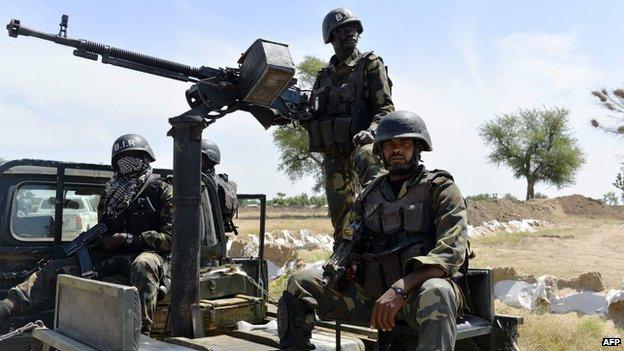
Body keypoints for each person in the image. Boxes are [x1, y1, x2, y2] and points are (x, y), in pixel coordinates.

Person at [278, 111, 468, 350]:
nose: (396, 149)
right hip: (374, 298)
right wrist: (346, 267)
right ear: (381, 151)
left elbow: (450, 254)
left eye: (404, 143)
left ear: (418, 148)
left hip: (416, 297)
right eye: (389, 144)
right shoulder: (370, 194)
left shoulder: (441, 189)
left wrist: (399, 289)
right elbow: (349, 241)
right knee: (301, 282)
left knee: (437, 292)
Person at [0, 134, 173, 334]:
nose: (128, 164)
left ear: (145, 159)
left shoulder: (162, 190)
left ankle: (141, 334)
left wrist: (129, 239)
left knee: (143, 264)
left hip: (152, 257)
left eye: (134, 158)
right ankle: (8, 306)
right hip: (115, 258)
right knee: (57, 267)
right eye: (123, 160)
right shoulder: (111, 194)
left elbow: (172, 239)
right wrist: (91, 243)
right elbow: (104, 228)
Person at [303, 7, 395, 241]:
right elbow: (312, 114)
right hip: (334, 152)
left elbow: (385, 109)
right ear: (331, 38)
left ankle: (390, 235)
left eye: (353, 29)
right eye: (343, 30)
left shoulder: (370, 64)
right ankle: (344, 254)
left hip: (361, 143)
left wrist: (371, 132)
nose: (350, 33)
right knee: (339, 212)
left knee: (377, 182)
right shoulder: (323, 76)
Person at [199, 139, 239, 264]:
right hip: (214, 242)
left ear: (209, 158)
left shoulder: (205, 183)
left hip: (206, 243)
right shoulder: (217, 181)